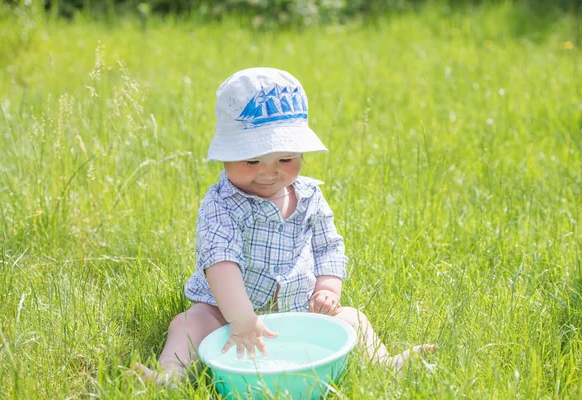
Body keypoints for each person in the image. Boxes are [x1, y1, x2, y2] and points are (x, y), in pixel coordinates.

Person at [128, 67, 436, 384]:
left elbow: (328, 246)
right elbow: (220, 262)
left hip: (299, 310)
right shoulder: (222, 204)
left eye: (285, 160)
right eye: (252, 161)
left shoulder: (309, 196)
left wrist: (328, 289)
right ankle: (171, 373)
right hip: (225, 312)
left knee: (352, 318)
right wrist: (241, 318)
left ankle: (384, 364)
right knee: (189, 322)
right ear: (226, 155)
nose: (268, 173)